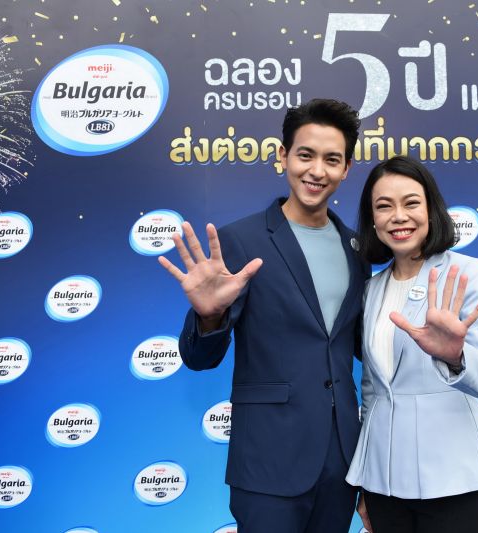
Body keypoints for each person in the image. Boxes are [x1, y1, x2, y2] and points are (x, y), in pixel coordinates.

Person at [158, 99, 370, 533]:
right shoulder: (241, 240)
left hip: (341, 462)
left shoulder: (357, 249)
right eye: (305, 155)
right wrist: (209, 317)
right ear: (283, 156)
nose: (317, 171)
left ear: (347, 168)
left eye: (332, 159)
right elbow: (199, 358)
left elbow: (358, 348)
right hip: (268, 460)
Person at [346, 156, 478, 533]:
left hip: (456, 479)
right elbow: (372, 392)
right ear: (372, 219)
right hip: (385, 485)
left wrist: (456, 357)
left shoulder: (468, 273)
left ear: (431, 210)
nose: (398, 216)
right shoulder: (371, 290)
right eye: (384, 206)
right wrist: (365, 481)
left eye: (411, 203)